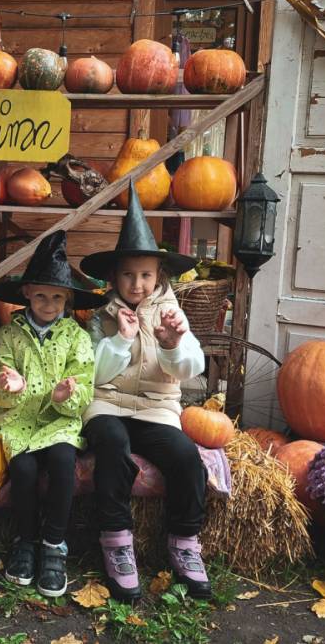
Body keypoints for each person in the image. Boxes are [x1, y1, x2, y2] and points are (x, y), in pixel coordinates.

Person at [80, 183, 209, 600]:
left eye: (146, 275)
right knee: (112, 446)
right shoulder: (102, 316)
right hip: (107, 405)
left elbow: (191, 368)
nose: (137, 284)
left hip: (156, 409)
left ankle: (184, 541)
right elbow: (92, 374)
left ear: (159, 276)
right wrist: (119, 340)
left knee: (186, 458)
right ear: (114, 277)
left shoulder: (173, 315)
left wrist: (172, 345)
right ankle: (117, 541)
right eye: (128, 275)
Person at [0, 231, 103, 597]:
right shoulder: (9, 335)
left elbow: (84, 386)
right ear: (26, 293)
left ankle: (54, 543)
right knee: (22, 469)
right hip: (18, 420)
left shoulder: (76, 337)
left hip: (58, 422)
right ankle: (25, 539)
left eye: (56, 297)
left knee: (63, 461)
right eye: (41, 295)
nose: (48, 304)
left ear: (67, 298)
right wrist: (9, 389)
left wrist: (66, 396)